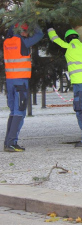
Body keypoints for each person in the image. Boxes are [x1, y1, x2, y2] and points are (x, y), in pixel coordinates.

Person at [3, 23, 43, 152]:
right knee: (20, 111)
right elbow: (40, 34)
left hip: (10, 81)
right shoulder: (22, 42)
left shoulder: (6, 42)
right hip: (20, 82)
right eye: (26, 31)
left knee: (14, 112)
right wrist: (34, 20)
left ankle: (8, 142)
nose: (27, 34)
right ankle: (11, 143)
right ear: (21, 32)